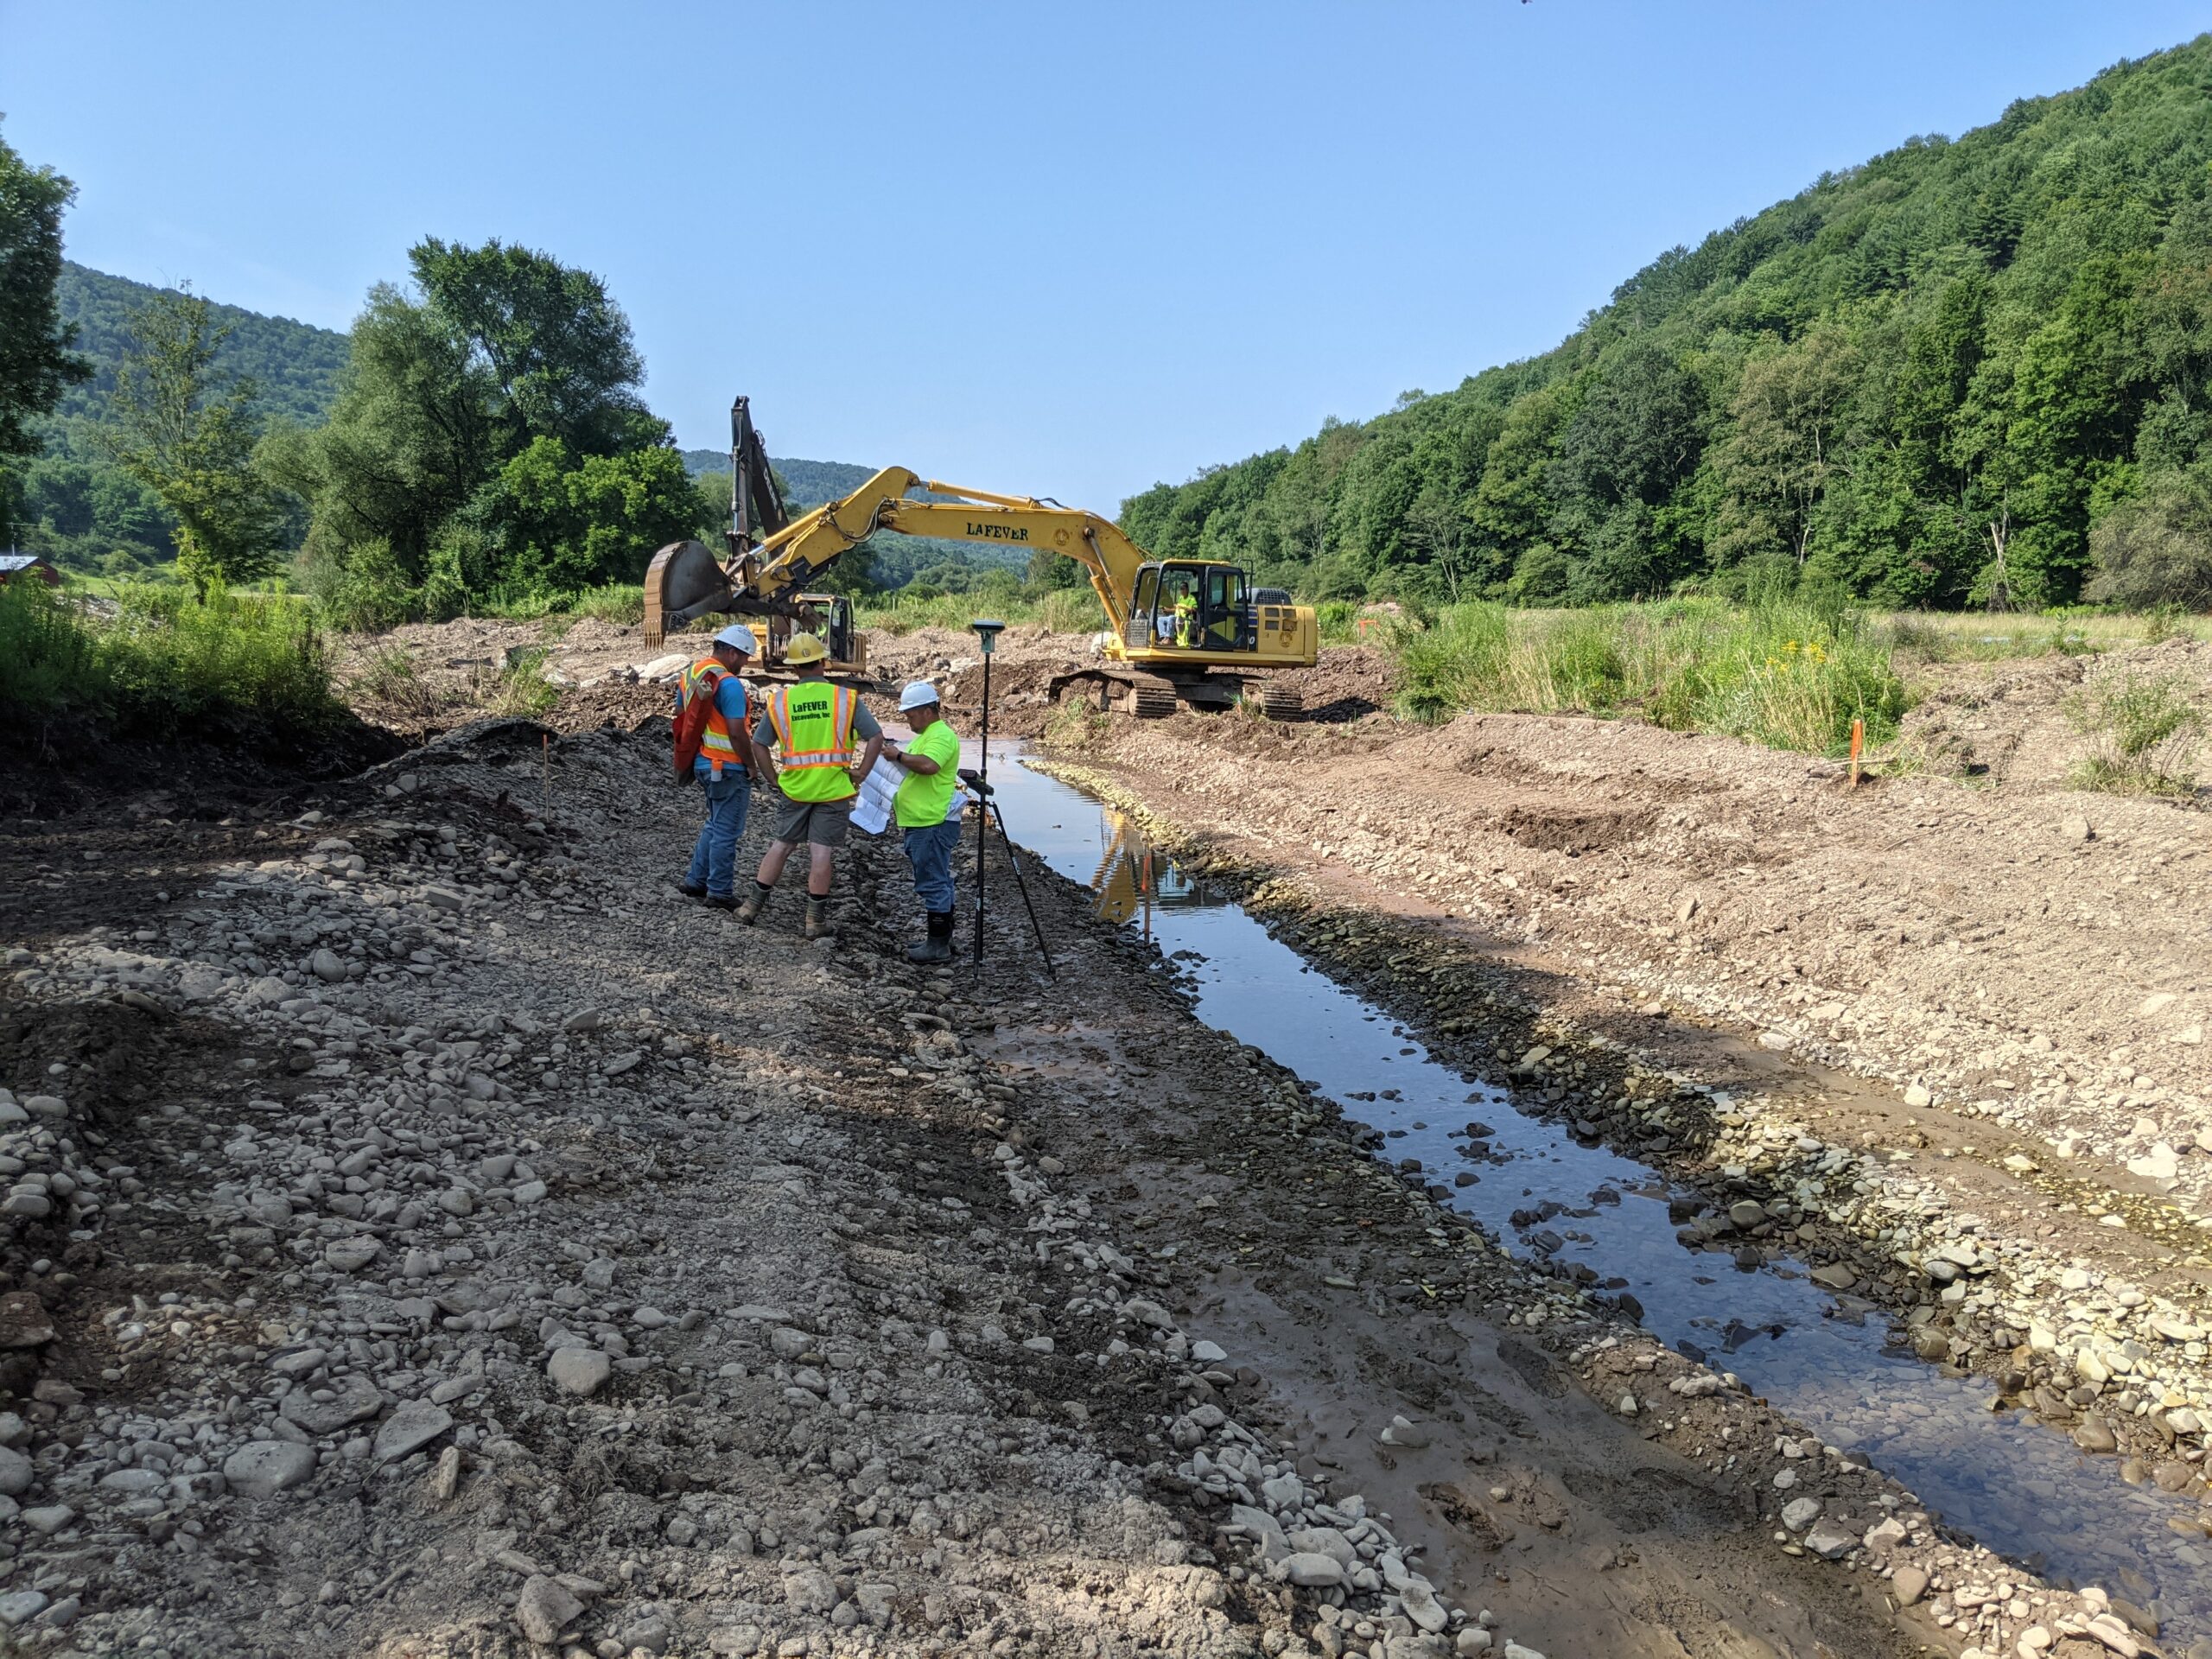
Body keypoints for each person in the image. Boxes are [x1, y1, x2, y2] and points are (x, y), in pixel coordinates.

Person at [737, 632, 882, 939]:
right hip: (833, 789)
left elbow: (759, 744)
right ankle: (814, 922)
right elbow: (876, 738)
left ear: (794, 668)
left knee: (782, 845)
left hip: (796, 789)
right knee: (821, 853)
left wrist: (773, 777)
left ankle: (750, 907)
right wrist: (862, 773)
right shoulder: (846, 698)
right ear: (823, 662)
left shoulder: (781, 701)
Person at [674, 624, 757, 910]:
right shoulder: (729, 683)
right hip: (727, 766)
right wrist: (752, 764)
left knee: (714, 823)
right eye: (745, 656)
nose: (745, 663)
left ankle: (696, 881)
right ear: (732, 652)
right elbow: (736, 732)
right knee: (726, 831)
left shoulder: (690, 675)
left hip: (701, 763)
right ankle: (719, 891)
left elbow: (681, 715)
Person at [881, 682, 963, 963]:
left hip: (931, 821)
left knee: (933, 882)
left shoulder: (940, 736)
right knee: (939, 880)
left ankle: (937, 946)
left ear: (928, 711)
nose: (908, 718)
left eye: (911, 713)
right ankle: (943, 940)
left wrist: (899, 755)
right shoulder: (928, 735)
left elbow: (929, 766)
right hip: (924, 820)